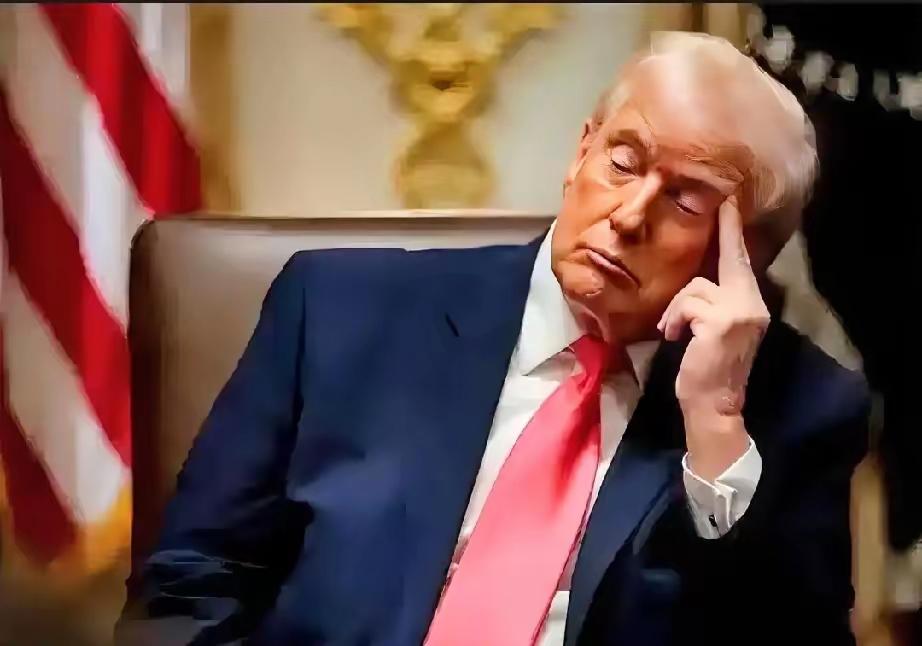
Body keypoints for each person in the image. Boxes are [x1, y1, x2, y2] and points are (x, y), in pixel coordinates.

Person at [127, 33, 868, 645]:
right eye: (622, 161)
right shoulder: (338, 312)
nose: (629, 215)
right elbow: (193, 584)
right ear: (581, 152)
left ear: (745, 258)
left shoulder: (798, 409)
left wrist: (715, 432)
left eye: (685, 199)